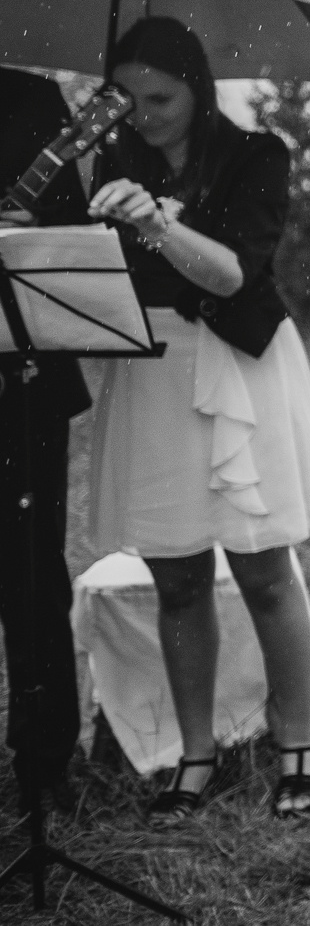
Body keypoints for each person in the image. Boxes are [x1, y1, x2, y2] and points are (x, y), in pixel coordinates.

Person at [83, 17, 310, 820]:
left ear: (197, 89)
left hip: (239, 366)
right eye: (124, 97)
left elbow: (233, 276)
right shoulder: (106, 158)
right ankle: (194, 752)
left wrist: (156, 224)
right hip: (153, 372)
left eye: (158, 96)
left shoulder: (254, 155)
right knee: (177, 572)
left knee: (264, 566)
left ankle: (296, 739)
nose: (142, 113)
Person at [0, 68, 96, 798]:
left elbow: (74, 234)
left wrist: (34, 232)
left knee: (34, 573)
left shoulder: (31, 99)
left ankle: (43, 764)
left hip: (24, 383)